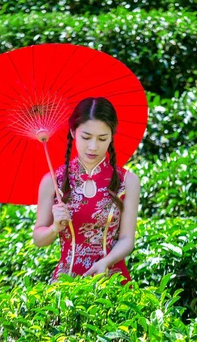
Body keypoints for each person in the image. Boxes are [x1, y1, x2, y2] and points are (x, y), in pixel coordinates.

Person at [32, 97, 140, 285]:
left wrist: (105, 262)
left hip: (113, 283)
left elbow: (127, 239)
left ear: (112, 136)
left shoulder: (128, 181)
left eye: (102, 138)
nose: (93, 146)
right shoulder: (52, 181)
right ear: (73, 132)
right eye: (86, 137)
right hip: (66, 287)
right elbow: (39, 239)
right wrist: (54, 228)